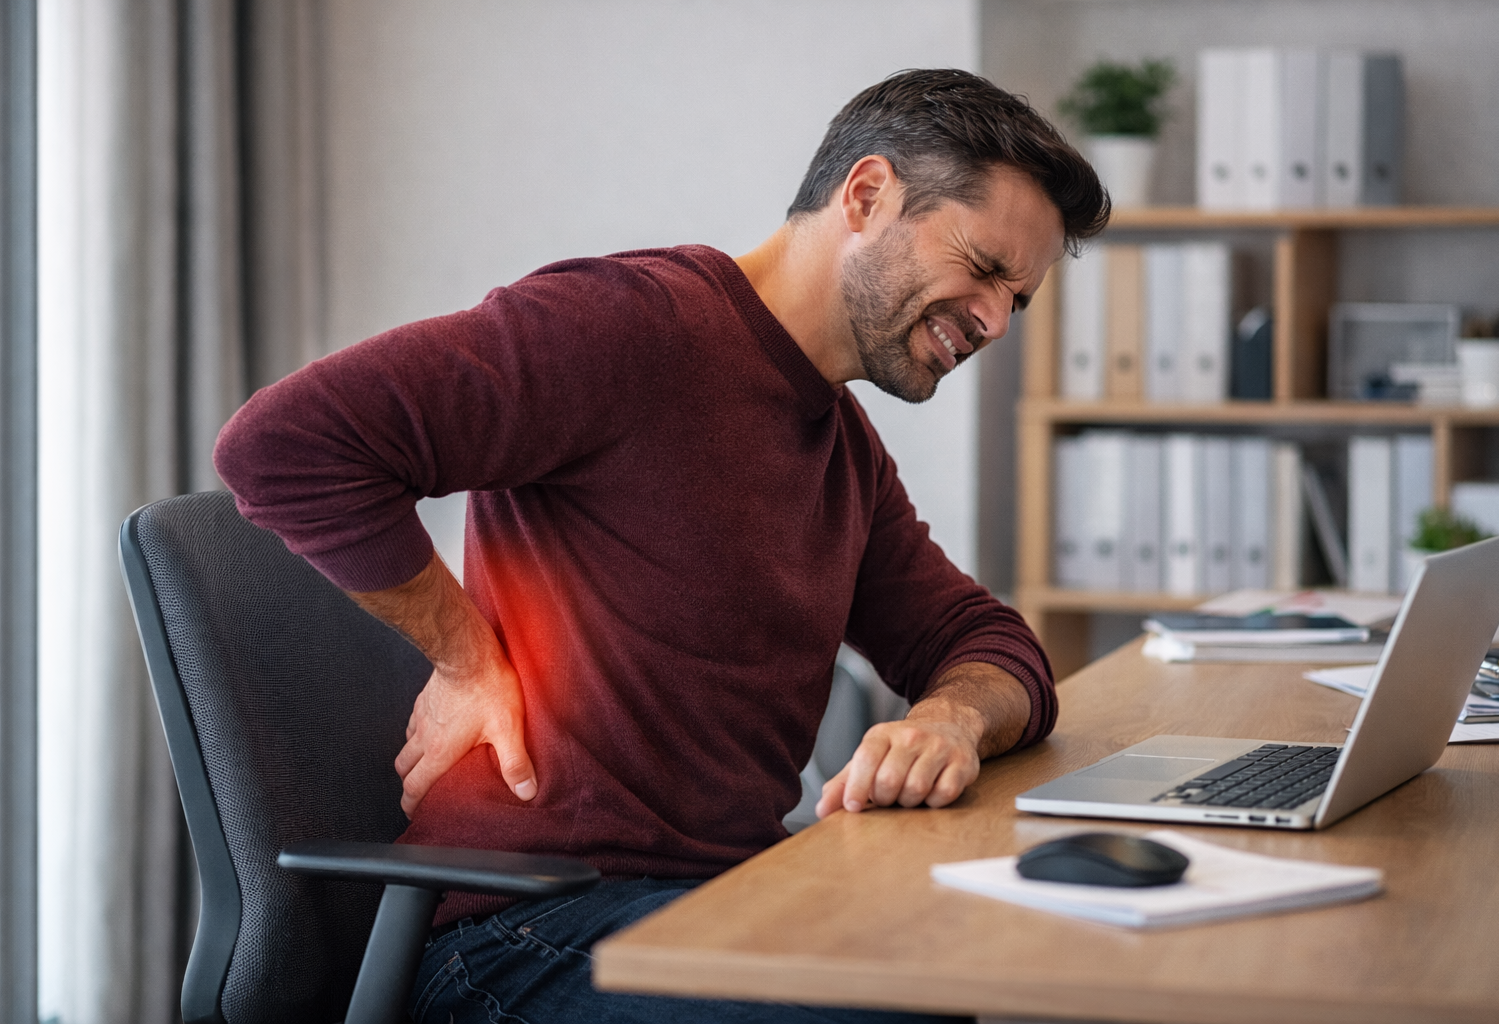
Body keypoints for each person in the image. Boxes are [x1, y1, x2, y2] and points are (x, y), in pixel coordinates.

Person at [214, 68, 1107, 1024]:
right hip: (526, 930)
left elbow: (984, 641)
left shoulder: (841, 448)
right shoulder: (624, 326)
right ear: (866, 194)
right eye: (983, 267)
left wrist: (951, 721)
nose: (995, 321)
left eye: (1018, 298)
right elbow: (282, 445)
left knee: (978, 969)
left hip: (715, 901)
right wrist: (468, 658)